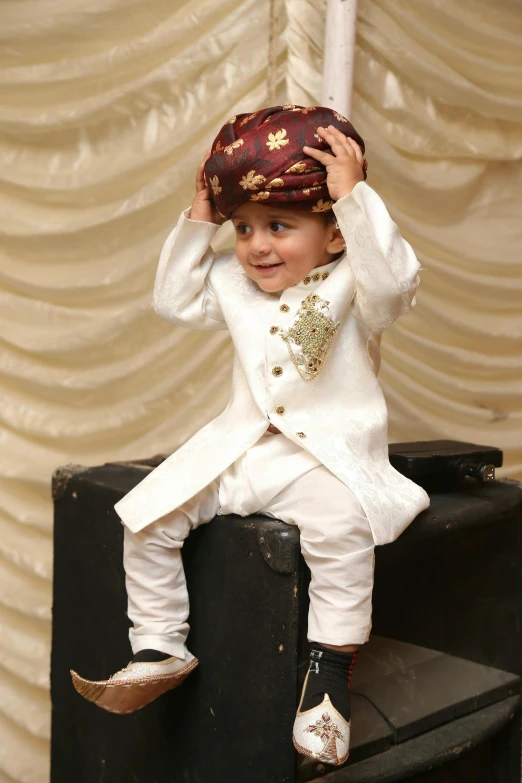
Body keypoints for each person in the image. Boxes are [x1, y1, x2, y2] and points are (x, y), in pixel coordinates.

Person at [71, 105, 430, 766]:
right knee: (146, 515)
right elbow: (174, 300)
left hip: (323, 459)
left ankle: (327, 676)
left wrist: (355, 197)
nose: (258, 245)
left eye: (280, 226)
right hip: (243, 450)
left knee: (342, 531)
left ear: (335, 234)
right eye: (244, 227)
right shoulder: (237, 284)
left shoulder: (361, 283)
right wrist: (200, 220)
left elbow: (397, 281)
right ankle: (158, 644)